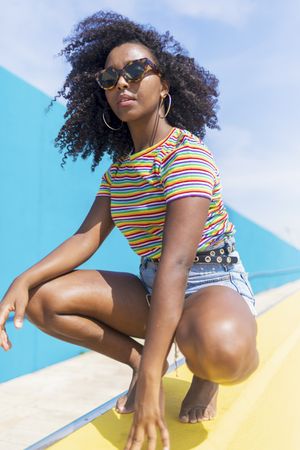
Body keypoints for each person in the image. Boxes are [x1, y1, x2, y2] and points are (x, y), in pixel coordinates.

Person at [0, 11, 259, 450]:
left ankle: (201, 372)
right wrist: (22, 280)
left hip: (210, 281)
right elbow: (87, 238)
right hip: (155, 283)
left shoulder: (186, 156)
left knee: (222, 353)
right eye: (110, 77)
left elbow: (179, 261)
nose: (123, 83)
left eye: (137, 70)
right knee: (45, 301)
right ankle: (142, 362)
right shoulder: (118, 172)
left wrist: (154, 395)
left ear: (165, 86)